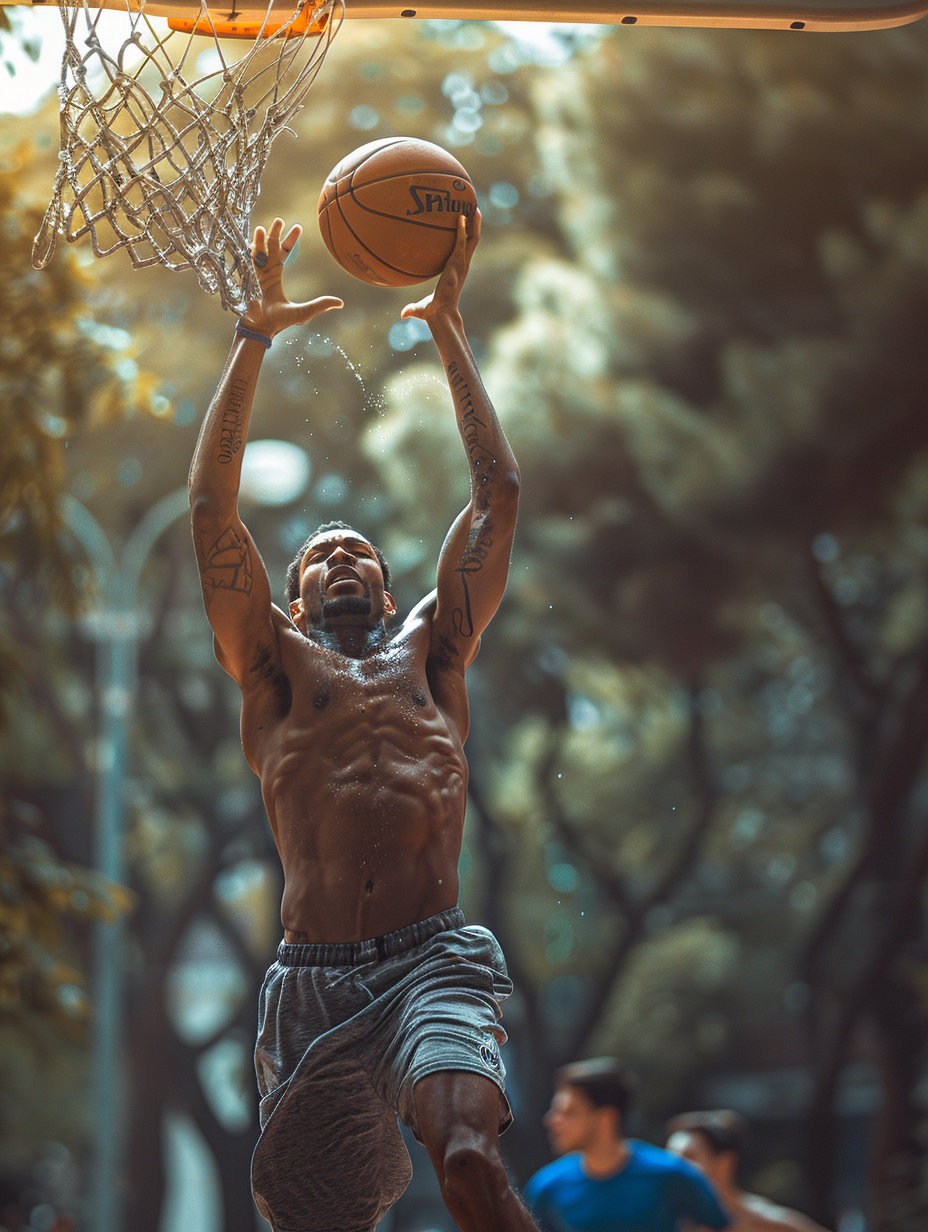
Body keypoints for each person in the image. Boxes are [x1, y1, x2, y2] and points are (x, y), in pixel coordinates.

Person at [188, 213, 534, 1232]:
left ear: (388, 588)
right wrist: (252, 336)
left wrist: (447, 328)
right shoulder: (274, 669)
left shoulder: (434, 651)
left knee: (467, 1158)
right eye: (320, 554)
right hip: (314, 986)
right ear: (293, 601)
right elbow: (213, 512)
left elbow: (499, 490)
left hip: (434, 957)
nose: (342, 556)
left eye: (360, 550)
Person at [524, 1059, 730, 1232]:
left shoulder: (673, 1175)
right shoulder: (545, 1188)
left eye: (568, 1112)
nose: (551, 1120)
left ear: (606, 1118)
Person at [665, 1111, 830, 1232]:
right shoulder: (670, 1221)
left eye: (688, 1157)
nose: (673, 1167)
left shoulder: (770, 1225)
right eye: (669, 1157)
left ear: (724, 1163)